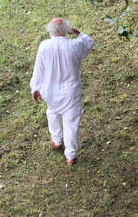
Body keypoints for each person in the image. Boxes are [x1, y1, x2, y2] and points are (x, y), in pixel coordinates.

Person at [30, 18, 93, 165]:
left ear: (50, 31)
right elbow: (88, 42)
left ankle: (57, 140)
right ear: (66, 30)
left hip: (50, 91)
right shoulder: (75, 45)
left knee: (52, 112)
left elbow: (38, 70)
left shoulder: (44, 46)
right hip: (70, 92)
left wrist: (35, 88)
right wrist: (77, 32)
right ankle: (70, 155)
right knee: (71, 122)